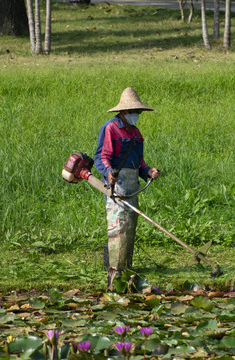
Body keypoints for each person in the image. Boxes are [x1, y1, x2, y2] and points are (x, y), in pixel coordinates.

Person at [94, 87, 161, 289]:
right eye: (134, 112)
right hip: (117, 184)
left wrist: (149, 171)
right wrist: (108, 173)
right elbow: (102, 156)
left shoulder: (137, 134)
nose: (136, 115)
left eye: (138, 112)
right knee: (118, 225)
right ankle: (115, 269)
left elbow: (139, 162)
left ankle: (126, 265)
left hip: (133, 185)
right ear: (124, 112)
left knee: (130, 226)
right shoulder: (110, 128)